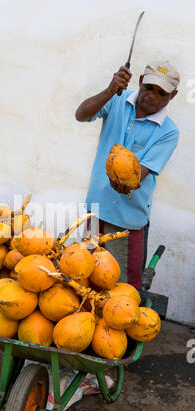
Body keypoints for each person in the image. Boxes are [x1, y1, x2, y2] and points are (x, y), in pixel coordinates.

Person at [75, 60, 180, 289]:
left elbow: (140, 172)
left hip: (127, 221)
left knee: (120, 288)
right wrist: (110, 90)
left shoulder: (169, 131)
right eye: (149, 88)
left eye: (161, 93)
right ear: (140, 81)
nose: (152, 96)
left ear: (172, 96)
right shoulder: (117, 99)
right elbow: (81, 115)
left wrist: (127, 181)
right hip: (95, 210)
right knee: (85, 276)